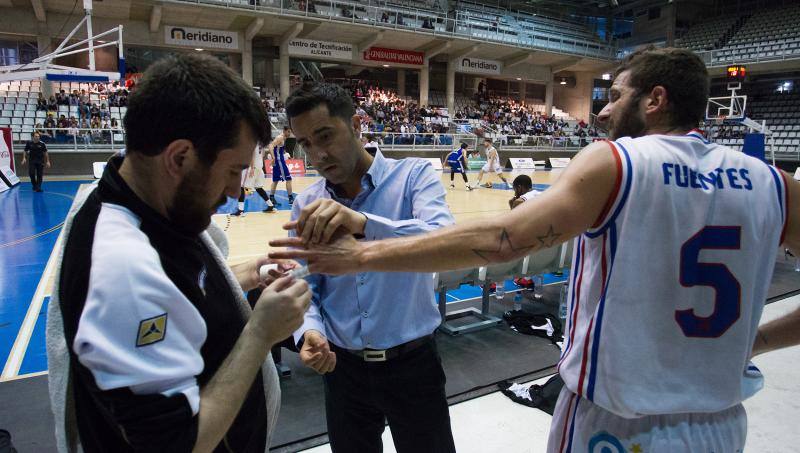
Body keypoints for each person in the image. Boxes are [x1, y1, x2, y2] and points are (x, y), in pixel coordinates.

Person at [270, 47, 800, 452]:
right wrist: (752, 341)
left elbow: (504, 241)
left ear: (654, 100)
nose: (601, 112)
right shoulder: (775, 183)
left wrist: (362, 251)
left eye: (614, 96)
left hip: (614, 417)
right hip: (720, 425)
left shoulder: (615, 163)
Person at [46, 53, 312, 452]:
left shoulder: (149, 205)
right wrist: (260, 333)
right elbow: (178, 444)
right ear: (179, 158)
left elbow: (178, 293)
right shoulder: (122, 268)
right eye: (232, 171)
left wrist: (248, 274)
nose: (236, 191)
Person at [282, 82, 457, 453]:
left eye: (324, 136)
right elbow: (305, 283)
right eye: (305, 144)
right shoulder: (307, 203)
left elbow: (442, 239)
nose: (317, 154)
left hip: (413, 364)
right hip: (342, 371)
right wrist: (310, 331)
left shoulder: (413, 177)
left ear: (358, 124)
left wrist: (362, 222)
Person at [232, 142, 277, 216]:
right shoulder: (261, 142)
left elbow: (251, 153)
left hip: (252, 167)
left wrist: (252, 167)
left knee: (241, 187)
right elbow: (263, 154)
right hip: (260, 166)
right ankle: (270, 205)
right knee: (258, 188)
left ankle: (240, 210)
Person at [265, 126, 294, 206]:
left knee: (276, 180)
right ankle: (291, 198)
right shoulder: (280, 137)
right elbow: (270, 146)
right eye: (288, 131)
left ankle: (271, 198)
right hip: (279, 162)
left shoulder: (283, 138)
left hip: (278, 161)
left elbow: (279, 149)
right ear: (284, 131)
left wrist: (285, 154)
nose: (289, 133)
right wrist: (273, 157)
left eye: (290, 132)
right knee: (288, 179)